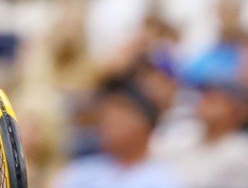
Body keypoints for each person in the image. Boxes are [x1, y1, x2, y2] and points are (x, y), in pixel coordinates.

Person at [53, 80, 183, 188]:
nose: (110, 121)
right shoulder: (81, 170)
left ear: (147, 124)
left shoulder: (164, 180)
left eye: (120, 115)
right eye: (105, 116)